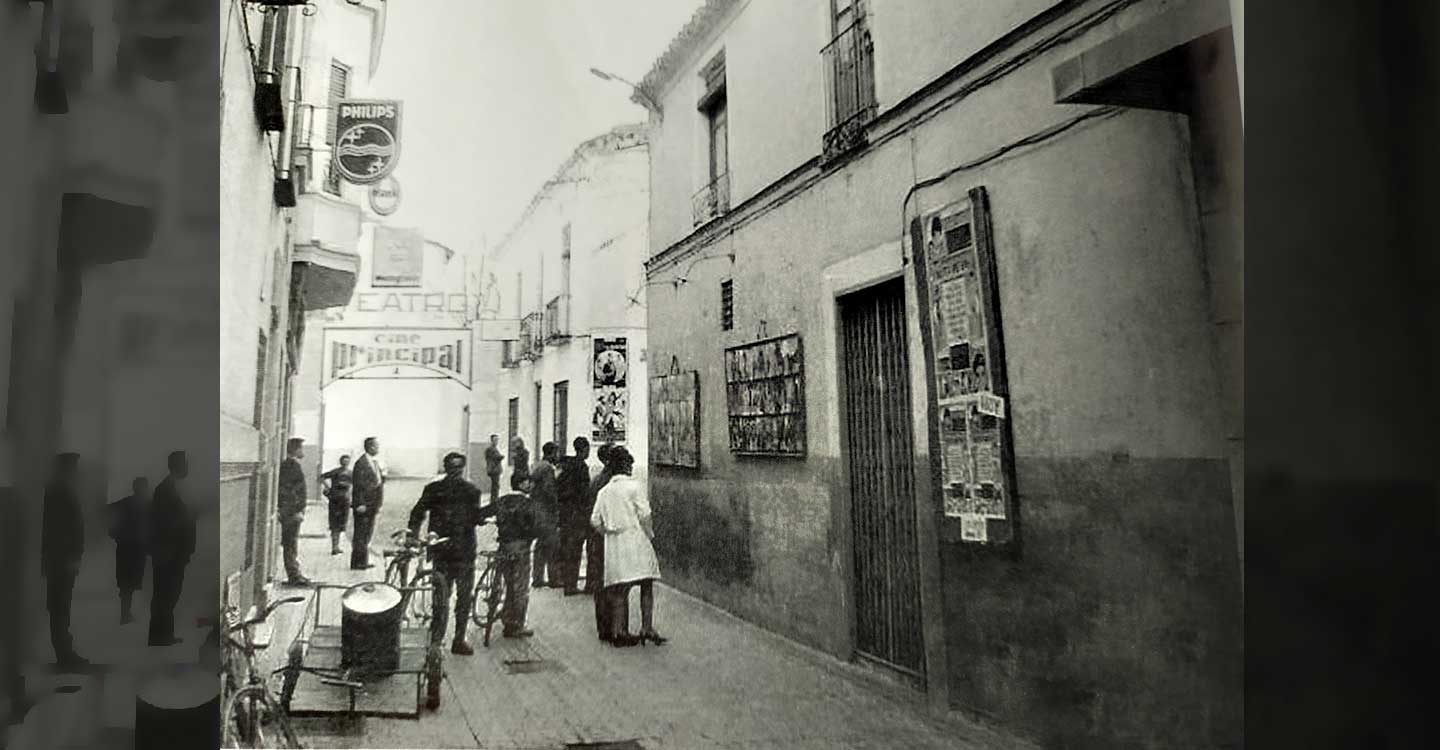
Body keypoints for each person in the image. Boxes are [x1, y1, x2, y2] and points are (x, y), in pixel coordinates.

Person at [407, 452, 485, 654]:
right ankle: (459, 640)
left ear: (445, 468)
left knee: (440, 596)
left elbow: (417, 513)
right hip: (464, 551)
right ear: (462, 468)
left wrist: (413, 535)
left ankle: (436, 640)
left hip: (441, 550)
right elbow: (477, 518)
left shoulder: (434, 489)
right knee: (464, 597)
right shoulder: (472, 490)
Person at [590, 446, 665, 647]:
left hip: (615, 544)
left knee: (619, 590)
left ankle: (619, 632)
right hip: (636, 538)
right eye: (630, 463)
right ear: (626, 466)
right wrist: (650, 534)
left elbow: (595, 521)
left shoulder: (604, 491)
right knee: (646, 584)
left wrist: (608, 533)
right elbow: (645, 514)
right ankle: (646, 627)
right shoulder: (634, 487)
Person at [41, 453, 89, 668]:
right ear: (65, 468)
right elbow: (57, 530)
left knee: (61, 607)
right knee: (60, 607)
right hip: (60, 561)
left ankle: (65, 652)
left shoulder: (61, 490)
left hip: (61, 560)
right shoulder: (57, 492)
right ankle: (64, 655)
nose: (76, 472)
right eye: (73, 467)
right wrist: (69, 556)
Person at [482, 473, 540, 638]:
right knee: (520, 587)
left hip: (504, 546)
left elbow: (483, 513)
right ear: (522, 484)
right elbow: (534, 526)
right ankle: (515, 625)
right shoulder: (528, 503)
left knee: (508, 584)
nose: (531, 485)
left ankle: (507, 619)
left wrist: (488, 521)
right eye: (529, 482)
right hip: (521, 547)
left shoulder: (503, 500)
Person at [149, 450, 196, 647]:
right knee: (165, 595)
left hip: (173, 553)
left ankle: (163, 634)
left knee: (168, 595)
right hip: (168, 553)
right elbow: (166, 523)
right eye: (184, 463)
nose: (187, 467)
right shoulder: (165, 489)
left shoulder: (171, 487)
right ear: (176, 466)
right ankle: (159, 636)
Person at [587, 444, 628, 640]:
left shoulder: (596, 481)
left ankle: (604, 629)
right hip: (613, 538)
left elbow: (592, 516)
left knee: (600, 583)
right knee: (617, 584)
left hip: (597, 538)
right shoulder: (615, 485)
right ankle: (619, 628)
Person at [108, 476, 149, 625]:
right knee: (137, 581)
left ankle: (125, 614)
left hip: (125, 548)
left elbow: (107, 512)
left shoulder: (124, 503)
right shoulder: (147, 504)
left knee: (126, 585)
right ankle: (129, 614)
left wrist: (114, 534)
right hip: (138, 549)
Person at [555, 437, 592, 594]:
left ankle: (565, 580)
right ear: (583, 450)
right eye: (587, 449)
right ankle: (571, 585)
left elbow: (558, 487)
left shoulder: (566, 466)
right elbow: (584, 493)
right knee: (575, 549)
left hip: (565, 513)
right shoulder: (581, 467)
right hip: (577, 514)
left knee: (566, 547)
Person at [277, 438, 312, 586]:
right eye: (300, 448)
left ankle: (295, 573)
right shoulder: (290, 466)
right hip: (291, 513)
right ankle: (294, 576)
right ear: (295, 450)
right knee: (290, 544)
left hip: (293, 512)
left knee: (291, 543)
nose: (302, 451)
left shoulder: (292, 465)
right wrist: (296, 511)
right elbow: (289, 492)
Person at [528, 441, 560, 588]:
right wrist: (556, 506)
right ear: (551, 453)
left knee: (540, 545)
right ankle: (554, 578)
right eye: (556, 453)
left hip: (535, 509)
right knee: (552, 545)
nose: (557, 456)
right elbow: (549, 490)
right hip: (546, 511)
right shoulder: (547, 468)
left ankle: (537, 578)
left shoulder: (537, 465)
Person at [351, 437, 386, 570]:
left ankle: (362, 560)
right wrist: (360, 503)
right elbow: (358, 485)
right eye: (376, 446)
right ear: (370, 447)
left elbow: (377, 483)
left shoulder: (373, 462)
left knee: (366, 533)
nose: (378, 448)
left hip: (372, 505)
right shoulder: (361, 463)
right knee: (361, 533)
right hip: (364, 505)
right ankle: (358, 562)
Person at [322, 455, 353, 555]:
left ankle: (336, 546)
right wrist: (328, 488)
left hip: (345, 501)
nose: (345, 463)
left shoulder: (351, 473)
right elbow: (321, 477)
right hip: (335, 500)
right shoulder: (335, 472)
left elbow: (355, 485)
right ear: (340, 462)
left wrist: (350, 494)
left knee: (341, 524)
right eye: (344, 461)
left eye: (347, 461)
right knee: (334, 524)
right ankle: (334, 547)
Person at [484, 434, 504, 501]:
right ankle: (494, 500)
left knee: (496, 485)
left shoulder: (494, 449)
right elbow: (495, 457)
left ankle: (494, 499)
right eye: (495, 440)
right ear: (491, 441)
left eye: (497, 440)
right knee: (495, 486)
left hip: (495, 470)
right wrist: (500, 457)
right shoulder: (490, 449)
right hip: (494, 470)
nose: (496, 441)